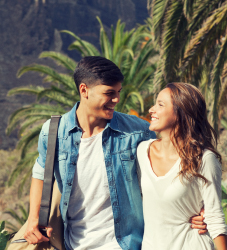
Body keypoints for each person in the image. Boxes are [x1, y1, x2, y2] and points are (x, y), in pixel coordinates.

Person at [24, 57, 207, 250]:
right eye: (109, 93)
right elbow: (41, 173)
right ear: (84, 90)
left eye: (118, 92)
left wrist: (201, 206)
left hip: (124, 244)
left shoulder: (138, 131)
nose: (117, 100)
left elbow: (180, 161)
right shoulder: (53, 132)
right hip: (72, 244)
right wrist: (33, 218)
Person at [137, 82, 227, 250]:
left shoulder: (204, 159)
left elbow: (215, 217)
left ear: (180, 113)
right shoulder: (141, 151)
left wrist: (206, 218)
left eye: (160, 104)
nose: (151, 109)